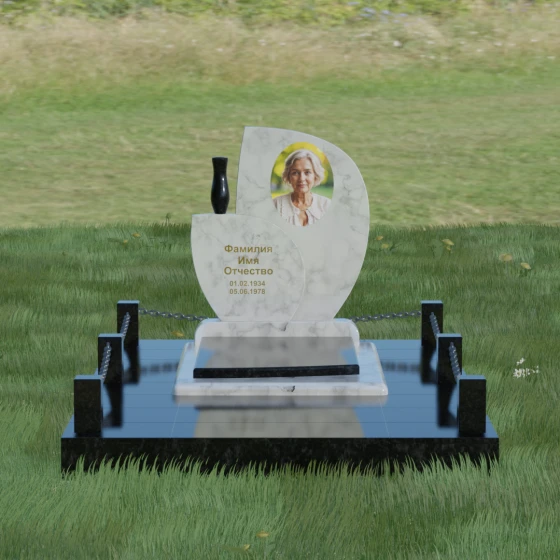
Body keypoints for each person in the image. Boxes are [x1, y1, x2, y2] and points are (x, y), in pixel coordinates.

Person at [272, 149, 331, 227]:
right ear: (288, 176)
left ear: (315, 176)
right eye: (295, 173)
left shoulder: (326, 205)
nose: (301, 178)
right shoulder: (276, 205)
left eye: (307, 172)